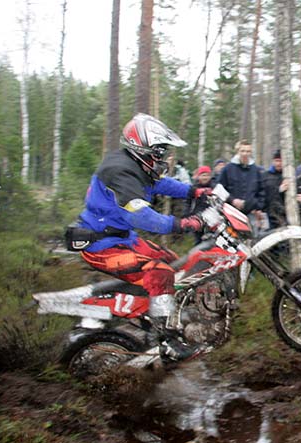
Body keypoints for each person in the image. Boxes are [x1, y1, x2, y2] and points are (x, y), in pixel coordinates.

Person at [73, 113, 206, 361]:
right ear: (143, 149)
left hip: (122, 238)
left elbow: (159, 185)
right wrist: (183, 223)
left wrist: (194, 190)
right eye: (160, 152)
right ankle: (165, 339)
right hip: (102, 246)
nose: (164, 157)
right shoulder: (120, 172)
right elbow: (141, 217)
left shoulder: (133, 165)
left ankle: (155, 311)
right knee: (161, 272)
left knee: (175, 260)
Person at [217, 140, 267, 233]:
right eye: (242, 151)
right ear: (238, 151)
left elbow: (261, 191)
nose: (245, 154)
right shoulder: (227, 169)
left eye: (248, 151)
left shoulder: (256, 170)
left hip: (251, 213)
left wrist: (258, 207)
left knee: (252, 240)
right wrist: (232, 200)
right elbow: (219, 188)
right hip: (231, 213)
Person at [183, 165, 214, 244]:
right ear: (199, 176)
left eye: (207, 175)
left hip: (213, 218)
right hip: (197, 218)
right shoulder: (194, 188)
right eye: (203, 175)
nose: (205, 178)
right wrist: (186, 215)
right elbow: (188, 202)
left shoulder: (214, 187)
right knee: (198, 241)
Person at [263, 149, 286, 228]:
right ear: (273, 161)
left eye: (281, 161)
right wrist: (279, 190)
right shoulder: (266, 175)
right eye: (277, 161)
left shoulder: (287, 175)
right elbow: (265, 194)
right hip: (270, 213)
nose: (279, 163)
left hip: (284, 213)